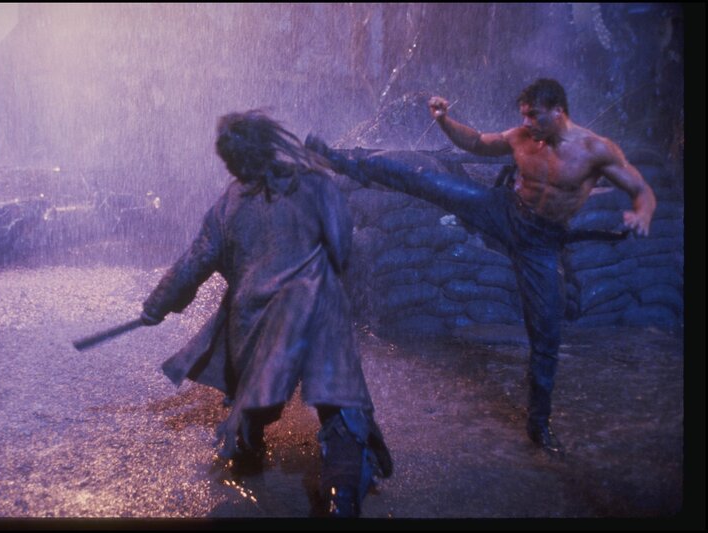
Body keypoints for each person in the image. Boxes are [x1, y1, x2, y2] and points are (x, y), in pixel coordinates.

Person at [305, 78, 656, 456]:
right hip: (502, 211)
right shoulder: (522, 137)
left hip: (540, 245)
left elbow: (642, 190)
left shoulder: (595, 149)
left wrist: (642, 214)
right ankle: (340, 161)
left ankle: (539, 424)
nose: (528, 124)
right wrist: (444, 121)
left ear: (558, 111)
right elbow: (475, 142)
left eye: (534, 116)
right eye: (524, 116)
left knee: (546, 338)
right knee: (423, 179)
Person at [140, 110, 392, 517]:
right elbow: (341, 247)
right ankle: (341, 500)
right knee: (341, 406)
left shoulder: (228, 204)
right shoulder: (315, 184)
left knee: (253, 403)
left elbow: (195, 261)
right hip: (319, 310)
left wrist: (156, 305)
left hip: (258, 319)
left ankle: (248, 453)